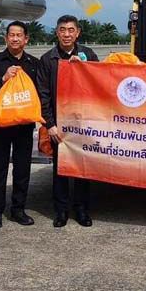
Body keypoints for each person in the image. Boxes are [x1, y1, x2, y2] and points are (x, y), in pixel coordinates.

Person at [38, 14, 99, 227]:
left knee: (83, 167)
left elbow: (98, 84)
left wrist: (83, 67)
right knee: (60, 169)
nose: (66, 34)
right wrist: (50, 124)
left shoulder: (88, 55)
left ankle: (81, 209)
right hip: (59, 124)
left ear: (78, 33)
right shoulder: (48, 59)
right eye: (62, 30)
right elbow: (43, 94)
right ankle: (61, 210)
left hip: (82, 123)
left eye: (71, 30)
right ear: (57, 33)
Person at [0, 21, 41, 228]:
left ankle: (18, 209)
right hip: (0, 125)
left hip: (24, 125)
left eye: (19, 35)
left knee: (22, 169)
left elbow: (39, 92)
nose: (15, 39)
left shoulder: (33, 63)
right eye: (11, 35)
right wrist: (3, 78)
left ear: (26, 39)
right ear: (6, 38)